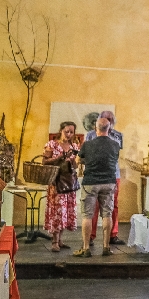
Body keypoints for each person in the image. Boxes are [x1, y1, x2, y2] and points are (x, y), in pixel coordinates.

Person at [74, 117, 121, 257]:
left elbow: (77, 162)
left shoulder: (87, 145)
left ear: (95, 129)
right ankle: (106, 247)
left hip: (90, 182)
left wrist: (85, 160)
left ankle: (86, 248)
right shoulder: (115, 145)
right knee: (107, 214)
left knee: (87, 215)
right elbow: (112, 160)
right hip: (109, 182)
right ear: (109, 129)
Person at [85, 110, 124, 246]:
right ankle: (90, 235)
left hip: (113, 174)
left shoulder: (118, 136)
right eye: (105, 118)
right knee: (93, 206)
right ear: (99, 120)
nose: (108, 121)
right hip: (95, 174)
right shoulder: (90, 135)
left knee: (113, 205)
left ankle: (113, 235)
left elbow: (116, 153)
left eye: (110, 119)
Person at [42, 122, 80, 252]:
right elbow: (44, 162)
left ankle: (61, 240)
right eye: (66, 131)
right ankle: (54, 241)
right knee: (57, 211)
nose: (69, 134)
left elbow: (75, 167)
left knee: (66, 212)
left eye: (71, 132)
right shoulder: (52, 144)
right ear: (61, 131)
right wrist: (59, 157)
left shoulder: (74, 145)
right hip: (56, 182)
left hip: (68, 182)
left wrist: (72, 160)